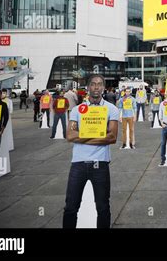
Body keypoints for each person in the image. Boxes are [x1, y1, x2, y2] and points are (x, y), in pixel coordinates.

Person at [64, 74, 119, 228]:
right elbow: (69, 135)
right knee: (70, 207)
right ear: (88, 87)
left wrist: (82, 136)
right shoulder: (77, 110)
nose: (96, 87)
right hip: (78, 164)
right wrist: (98, 135)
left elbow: (112, 137)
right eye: (93, 84)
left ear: (103, 87)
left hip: (100, 164)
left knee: (102, 207)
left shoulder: (111, 109)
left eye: (100, 84)